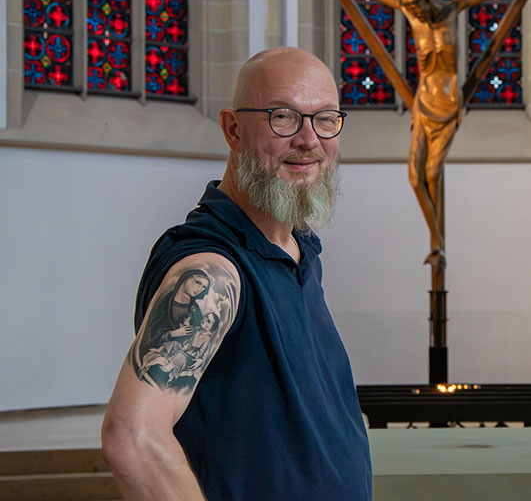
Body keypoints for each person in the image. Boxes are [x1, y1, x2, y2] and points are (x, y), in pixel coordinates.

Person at [101, 48, 371, 500]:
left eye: (325, 119)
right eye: (283, 117)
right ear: (232, 129)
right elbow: (130, 437)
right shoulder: (212, 271)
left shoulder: (296, 248)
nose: (308, 140)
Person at [302, 0, 531, 269]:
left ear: (426, 1)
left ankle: (438, 244)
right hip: (424, 103)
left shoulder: (451, 10)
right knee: (415, 176)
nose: (414, 16)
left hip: (448, 106)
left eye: (416, 9)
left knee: (432, 172)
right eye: (409, 11)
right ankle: (436, 239)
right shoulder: (412, 15)